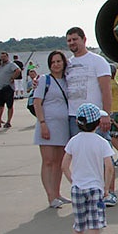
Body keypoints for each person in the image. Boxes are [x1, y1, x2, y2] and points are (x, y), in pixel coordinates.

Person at [65, 27, 115, 205]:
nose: (72, 43)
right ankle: (86, 191)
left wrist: (106, 114)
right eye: (69, 40)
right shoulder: (68, 64)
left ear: (84, 40)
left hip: (96, 117)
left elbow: (106, 90)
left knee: (103, 156)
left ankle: (109, 192)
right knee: (81, 158)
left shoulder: (97, 61)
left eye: (75, 39)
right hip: (74, 118)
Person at [62, 103, 115, 234]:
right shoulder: (101, 142)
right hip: (95, 189)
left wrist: (73, 181)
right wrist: (106, 188)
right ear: (98, 123)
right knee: (95, 224)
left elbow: (64, 165)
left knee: (79, 224)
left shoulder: (73, 141)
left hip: (77, 188)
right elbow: (109, 167)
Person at [32, 51, 72, 209]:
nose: (56, 64)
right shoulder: (44, 80)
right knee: (48, 161)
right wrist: (42, 123)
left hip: (63, 126)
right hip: (47, 124)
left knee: (59, 162)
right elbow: (37, 102)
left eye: (59, 61)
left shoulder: (67, 81)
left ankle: (57, 193)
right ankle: (50, 195)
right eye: (53, 62)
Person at [0, 51, 21, 128]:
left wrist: (12, 77)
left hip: (8, 87)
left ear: (7, 57)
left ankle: (8, 122)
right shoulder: (0, 66)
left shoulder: (11, 64)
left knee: (9, 105)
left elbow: (18, 70)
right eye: (1, 57)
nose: (3, 58)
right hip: (0, 88)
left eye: (4, 57)